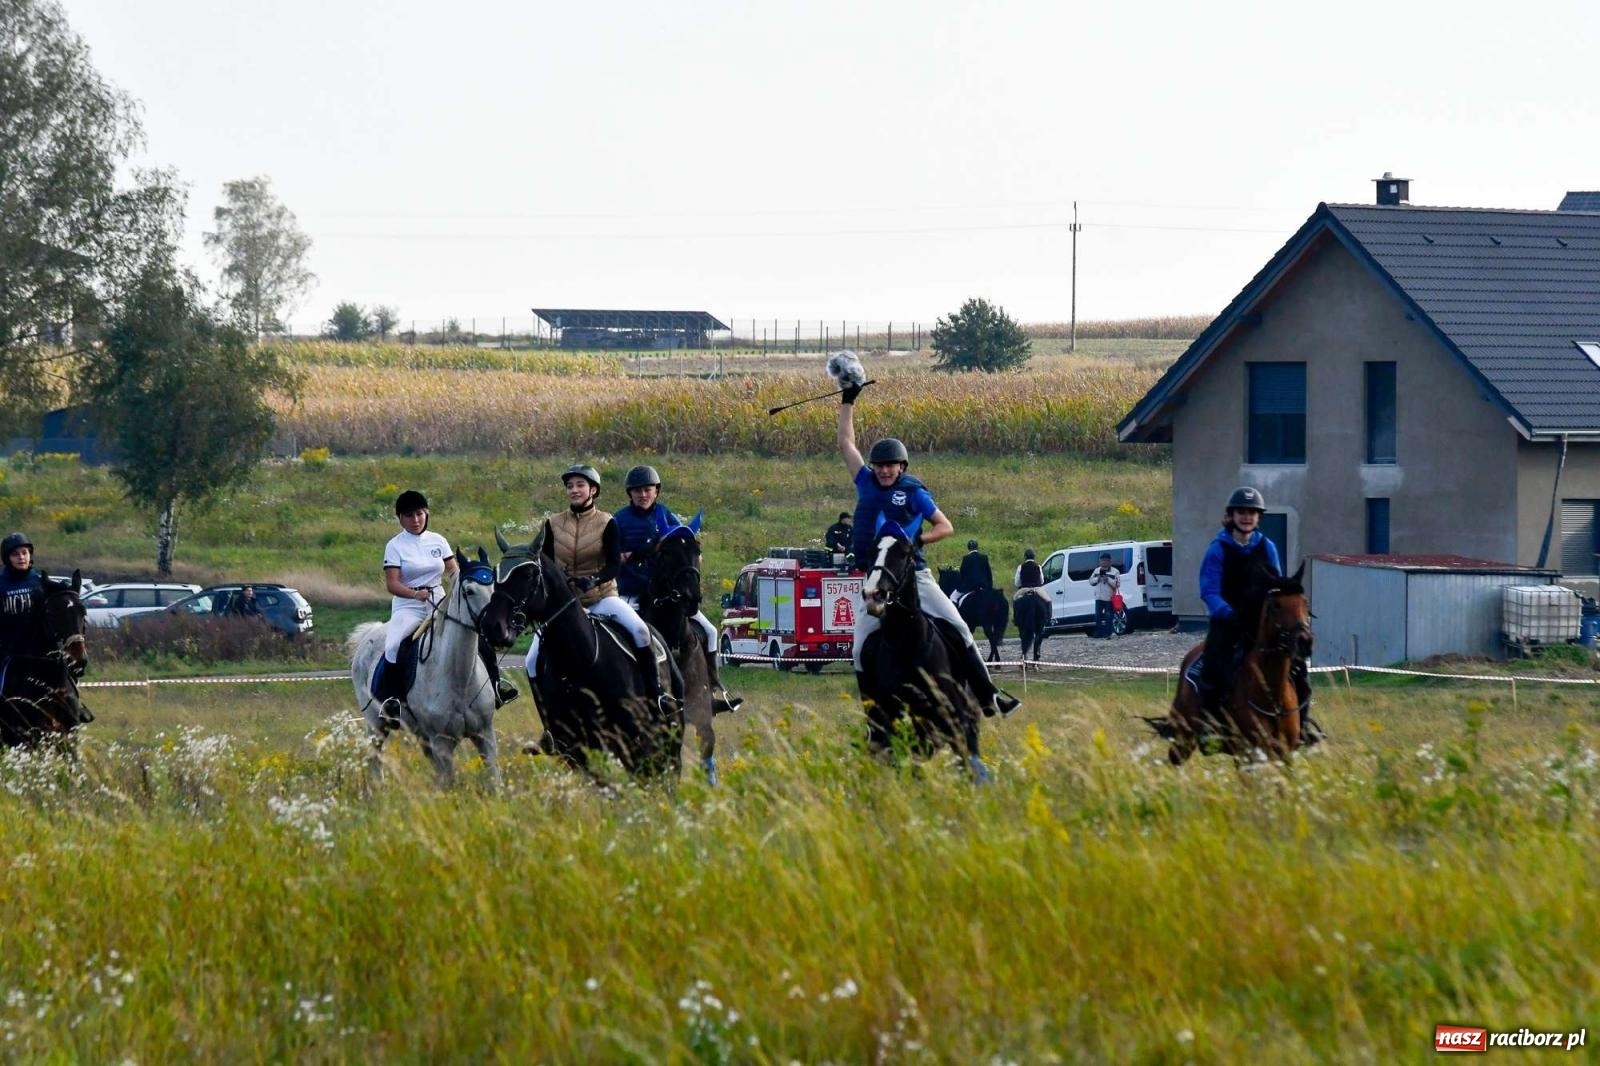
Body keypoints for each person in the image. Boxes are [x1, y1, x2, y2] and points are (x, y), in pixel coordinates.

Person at [837, 384, 1019, 717]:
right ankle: (873, 716)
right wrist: (848, 399)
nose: (884, 470)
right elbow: (846, 443)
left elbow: (945, 526)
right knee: (860, 646)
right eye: (879, 465)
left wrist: (918, 541)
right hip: (875, 579)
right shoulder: (865, 482)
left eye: (891, 465)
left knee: (960, 628)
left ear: (902, 467)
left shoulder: (915, 493)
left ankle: (988, 695)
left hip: (914, 576)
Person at [527, 464, 673, 712]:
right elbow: (546, 563)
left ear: (593, 490)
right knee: (531, 661)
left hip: (601, 596)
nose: (574, 490)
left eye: (580, 485)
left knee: (640, 631)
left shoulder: (607, 522)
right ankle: (548, 722)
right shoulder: (552, 524)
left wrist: (592, 580)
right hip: (565, 604)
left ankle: (657, 694)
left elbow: (614, 565)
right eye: (570, 486)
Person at [377, 489, 518, 725]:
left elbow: (454, 572)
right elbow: (392, 583)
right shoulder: (395, 546)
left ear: (426, 514)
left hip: (440, 601)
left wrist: (468, 580)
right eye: (409, 515)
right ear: (400, 518)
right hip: (408, 606)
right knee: (394, 646)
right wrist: (414, 594)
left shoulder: (438, 540)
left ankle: (496, 686)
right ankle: (392, 699)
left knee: (479, 637)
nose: (415, 520)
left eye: (419, 514)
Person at [615, 463, 742, 713]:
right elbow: (614, 557)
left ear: (656, 491)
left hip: (664, 592)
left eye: (648, 490)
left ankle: (712, 689)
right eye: (637, 490)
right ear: (630, 493)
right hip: (630, 590)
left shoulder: (668, 516)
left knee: (711, 632)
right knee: (624, 635)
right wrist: (645, 549)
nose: (643, 495)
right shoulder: (619, 520)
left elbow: (683, 550)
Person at [1197, 486, 1280, 725]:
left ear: (1258, 517)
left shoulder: (1268, 547)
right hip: (1228, 623)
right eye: (1241, 512)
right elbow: (1209, 591)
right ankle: (1209, 724)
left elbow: (1276, 585)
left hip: (1260, 624)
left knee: (1295, 666)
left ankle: (1304, 723)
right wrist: (1228, 613)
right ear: (1231, 516)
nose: (1247, 517)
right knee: (1213, 669)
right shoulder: (1217, 549)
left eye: (1252, 512)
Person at [0, 532, 45, 660]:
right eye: (15, 554)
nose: (21, 557)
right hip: (9, 653)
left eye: (24, 552)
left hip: (39, 651)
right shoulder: (1, 583)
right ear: (7, 558)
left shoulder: (39, 581)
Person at [1090, 552, 1121, 638]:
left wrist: (1108, 579)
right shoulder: (1097, 570)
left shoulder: (1115, 571)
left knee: (1108, 616)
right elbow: (1090, 581)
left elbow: (1117, 584)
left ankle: (1108, 632)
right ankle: (1099, 632)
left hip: (1109, 597)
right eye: (1102, 561)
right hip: (1098, 597)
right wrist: (1098, 578)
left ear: (1109, 561)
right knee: (1097, 616)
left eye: (1105, 561)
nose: (1103, 562)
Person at [955, 539, 993, 604]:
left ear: (968, 548)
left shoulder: (966, 558)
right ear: (977, 547)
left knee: (953, 597)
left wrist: (961, 585)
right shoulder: (984, 557)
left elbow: (962, 573)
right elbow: (989, 574)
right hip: (984, 586)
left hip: (969, 587)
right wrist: (990, 587)